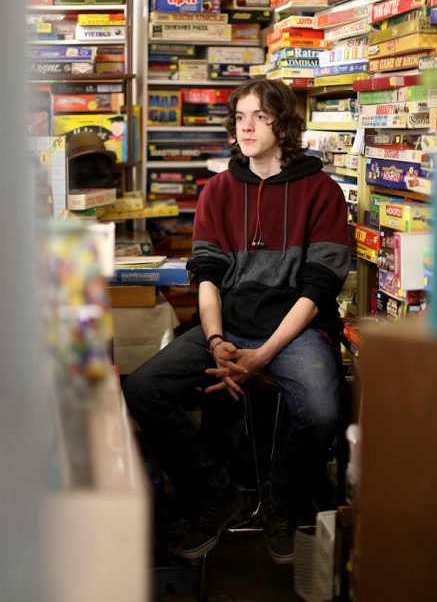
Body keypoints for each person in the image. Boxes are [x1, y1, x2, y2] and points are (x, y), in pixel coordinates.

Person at [123, 78, 350, 564]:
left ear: (284, 125)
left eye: (260, 117)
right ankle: (216, 490)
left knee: (322, 410)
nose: (246, 127)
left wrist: (263, 355)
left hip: (295, 331)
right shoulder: (218, 190)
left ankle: (283, 502)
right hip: (228, 326)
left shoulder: (322, 191)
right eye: (240, 117)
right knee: (142, 387)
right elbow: (206, 276)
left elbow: (317, 289)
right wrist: (216, 338)